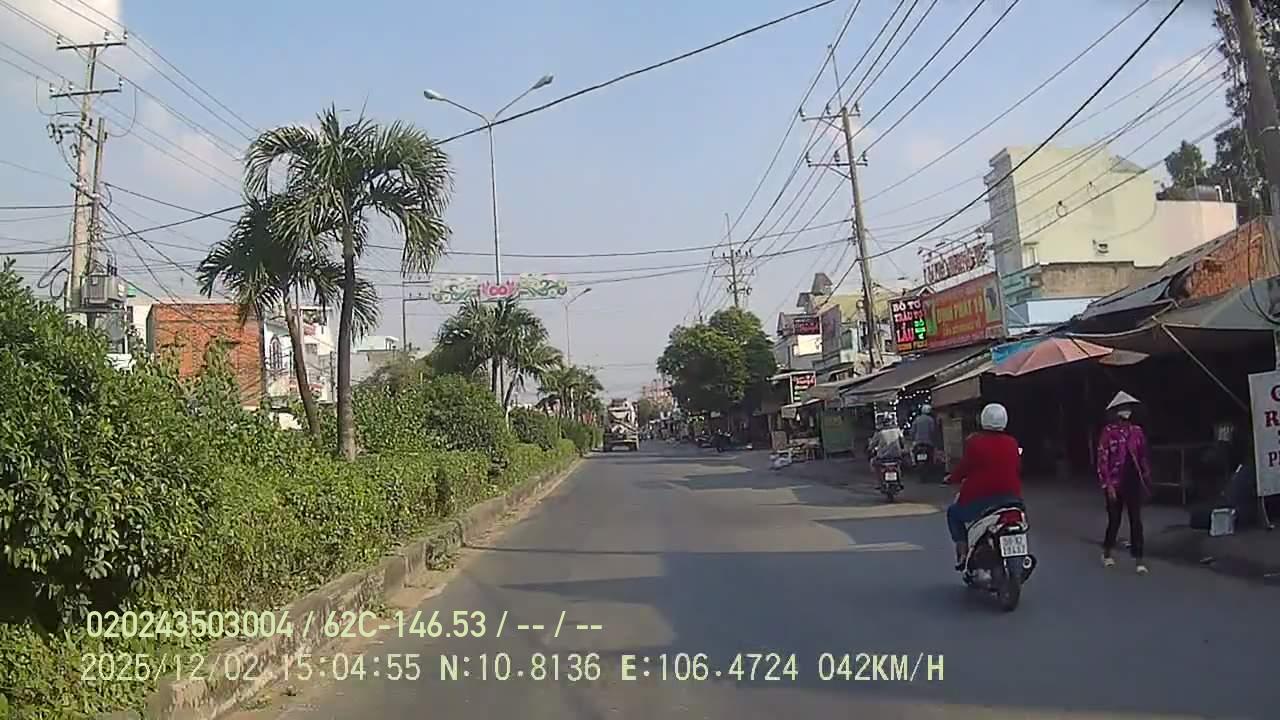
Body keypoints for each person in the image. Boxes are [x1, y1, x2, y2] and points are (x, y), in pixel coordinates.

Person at [945, 403, 1023, 569]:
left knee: (953, 513)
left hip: (981, 499)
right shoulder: (1012, 442)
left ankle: (963, 552)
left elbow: (964, 468)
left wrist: (951, 478)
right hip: (1012, 498)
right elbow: (1017, 467)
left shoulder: (975, 443)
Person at [1096, 391, 1152, 574]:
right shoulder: (1108, 433)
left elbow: (1143, 456)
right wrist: (1108, 486)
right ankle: (1107, 551)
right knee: (1115, 519)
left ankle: (1139, 558)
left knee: (1136, 520)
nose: (1125, 412)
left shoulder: (1137, 432)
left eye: (1127, 408)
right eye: (1122, 409)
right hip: (1114, 481)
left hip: (1133, 480)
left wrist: (1146, 477)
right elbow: (1102, 460)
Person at [910, 403, 942, 482]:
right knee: (931, 457)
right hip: (928, 443)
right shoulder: (930, 420)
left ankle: (915, 464)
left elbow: (912, 431)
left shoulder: (917, 419)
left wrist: (913, 438)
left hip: (918, 443)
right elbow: (933, 431)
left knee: (914, 453)